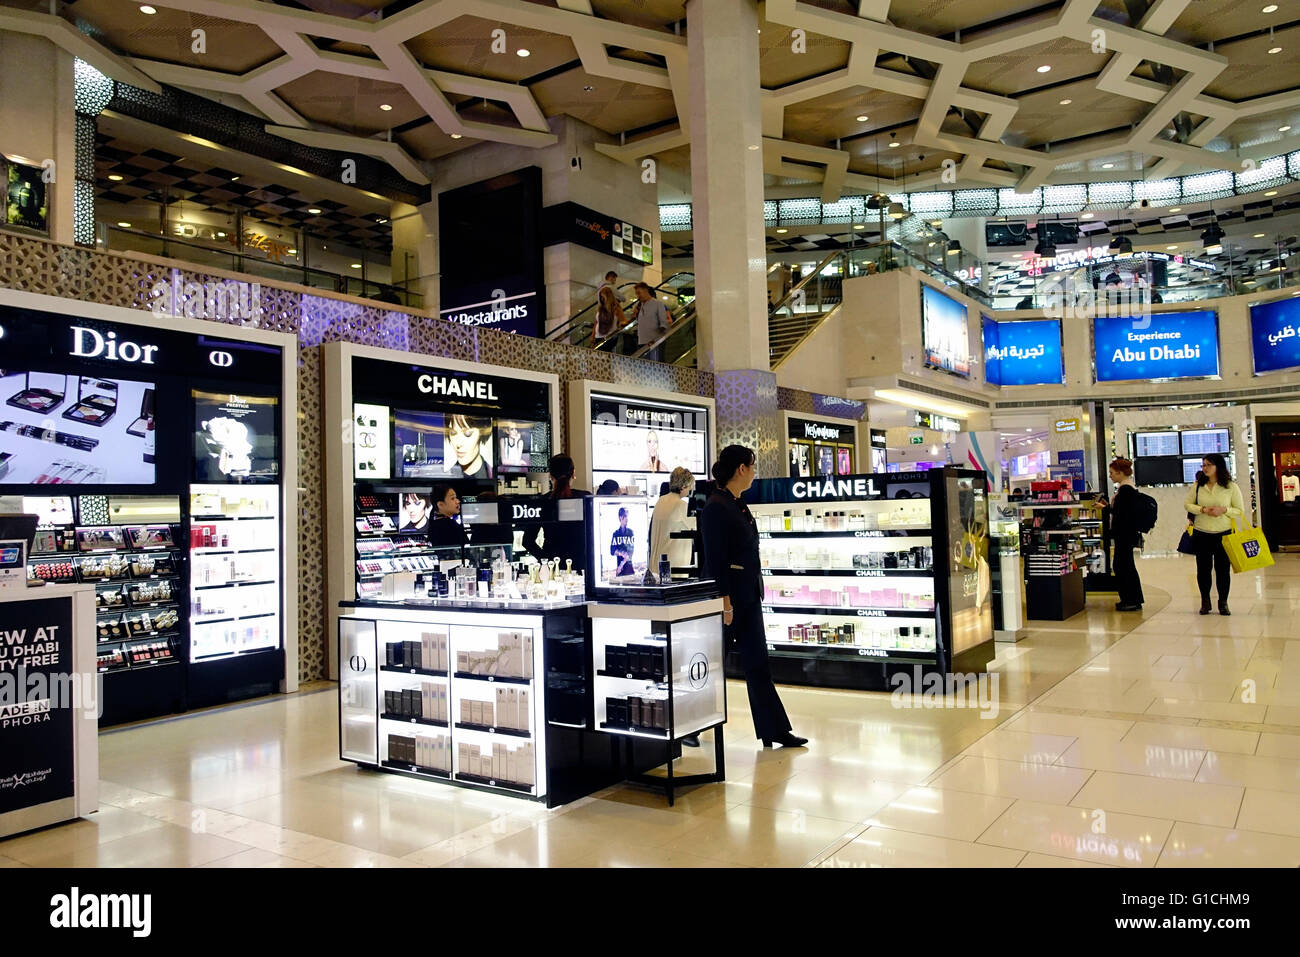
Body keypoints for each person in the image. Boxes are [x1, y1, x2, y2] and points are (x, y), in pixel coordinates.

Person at [700, 444, 806, 749]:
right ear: (741, 469)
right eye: (752, 466)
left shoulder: (738, 504)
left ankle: (774, 728)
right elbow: (716, 560)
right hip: (729, 601)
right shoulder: (715, 507)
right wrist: (725, 602)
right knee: (709, 664)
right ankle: (690, 725)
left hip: (748, 596)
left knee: (758, 663)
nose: (755, 472)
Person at [1185, 452, 1245, 615]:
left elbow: (1240, 511)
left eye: (1208, 465)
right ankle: (1205, 601)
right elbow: (1188, 505)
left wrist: (1224, 510)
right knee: (1203, 569)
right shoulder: (1198, 485)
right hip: (1201, 533)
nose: (1205, 468)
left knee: (1223, 570)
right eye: (1203, 465)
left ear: (1218, 466)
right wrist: (1203, 509)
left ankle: (1223, 602)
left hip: (1223, 533)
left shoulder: (1230, 487)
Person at [522, 454, 590, 568]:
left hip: (552, 568)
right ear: (573, 473)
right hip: (582, 566)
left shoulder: (542, 502)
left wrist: (545, 559)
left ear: (550, 476)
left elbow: (527, 541)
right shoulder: (585, 498)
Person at [1096, 458, 1143, 611]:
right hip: (1127, 534)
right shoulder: (1127, 488)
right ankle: (1133, 599)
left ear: (1120, 472)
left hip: (1124, 534)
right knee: (1125, 565)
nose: (1110, 476)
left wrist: (1106, 508)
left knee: (1122, 566)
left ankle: (1130, 599)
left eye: (1111, 472)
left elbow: (1122, 513)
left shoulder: (1126, 490)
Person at [649, 467, 695, 579]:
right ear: (683, 486)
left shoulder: (661, 501)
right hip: (674, 567)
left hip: (656, 565)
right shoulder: (681, 505)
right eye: (690, 487)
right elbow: (696, 527)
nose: (690, 490)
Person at [630, 282, 670, 362]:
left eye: (639, 293)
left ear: (646, 290)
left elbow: (664, 323)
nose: (638, 296)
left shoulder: (658, 304)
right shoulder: (640, 306)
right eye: (636, 294)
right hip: (642, 342)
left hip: (655, 342)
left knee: (657, 366)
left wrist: (655, 339)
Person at [444, 414, 492, 479]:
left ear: (481, 433)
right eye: (453, 433)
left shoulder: (492, 475)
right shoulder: (446, 478)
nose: (458, 444)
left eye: (467, 434)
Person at [427, 484, 467, 549]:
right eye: (452, 498)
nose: (457, 501)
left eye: (456, 498)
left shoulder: (434, 524)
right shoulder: (449, 525)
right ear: (440, 504)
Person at [610, 507, 635, 576]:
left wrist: (621, 565)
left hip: (628, 570)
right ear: (620, 517)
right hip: (620, 571)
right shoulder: (615, 534)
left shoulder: (630, 533)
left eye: (627, 516)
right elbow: (612, 551)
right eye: (625, 516)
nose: (627, 519)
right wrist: (621, 553)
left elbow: (630, 553)